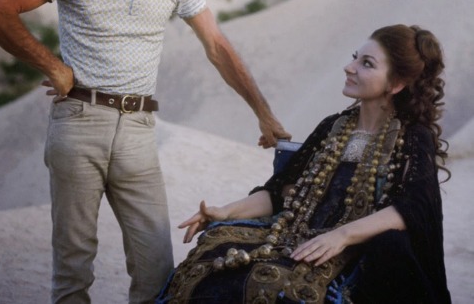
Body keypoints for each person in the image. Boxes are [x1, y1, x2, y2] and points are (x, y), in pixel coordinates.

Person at [0, 0, 290, 304]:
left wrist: (263, 112)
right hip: (79, 123)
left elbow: (217, 45)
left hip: (141, 131)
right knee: (74, 267)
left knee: (156, 267)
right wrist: (52, 66)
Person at [158, 24, 452, 304]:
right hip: (292, 234)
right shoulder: (333, 126)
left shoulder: (412, 137)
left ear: (397, 83)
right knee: (213, 251)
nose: (349, 68)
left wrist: (342, 235)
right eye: (354, 58)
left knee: (272, 287)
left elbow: (413, 208)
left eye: (367, 64)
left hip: (351, 251)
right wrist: (224, 211)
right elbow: (278, 192)